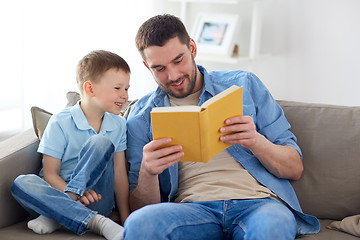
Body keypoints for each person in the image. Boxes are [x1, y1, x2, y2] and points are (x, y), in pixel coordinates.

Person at [124, 14, 320, 240]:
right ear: (146, 66)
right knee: (140, 224)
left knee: (272, 226)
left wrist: (256, 141)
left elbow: (294, 168)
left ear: (192, 48)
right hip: (192, 211)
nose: (173, 75)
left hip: (258, 205)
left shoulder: (244, 83)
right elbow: (139, 209)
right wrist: (147, 173)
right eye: (159, 68)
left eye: (179, 61)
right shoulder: (140, 117)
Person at [11, 50, 131, 240]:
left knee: (100, 142)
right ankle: (93, 220)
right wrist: (75, 194)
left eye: (127, 88)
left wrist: (127, 220)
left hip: (98, 199)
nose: (125, 95)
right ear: (90, 89)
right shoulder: (61, 121)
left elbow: (119, 174)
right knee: (21, 183)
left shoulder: (119, 124)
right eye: (118, 88)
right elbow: (50, 173)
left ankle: (57, 215)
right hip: (56, 192)